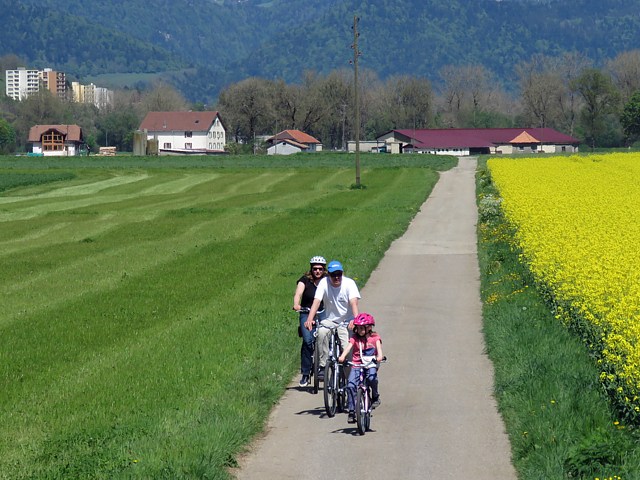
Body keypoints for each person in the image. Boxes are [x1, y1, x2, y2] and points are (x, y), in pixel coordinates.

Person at [305, 260, 360, 378]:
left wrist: (356, 320)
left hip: (347, 321)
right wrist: (310, 318)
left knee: (347, 348)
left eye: (339, 274)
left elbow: (354, 303)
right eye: (333, 275)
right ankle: (323, 365)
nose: (336, 277)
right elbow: (317, 301)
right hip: (330, 319)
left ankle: (348, 377)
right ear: (328, 275)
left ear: (342, 273)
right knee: (321, 333)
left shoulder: (349, 284)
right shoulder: (324, 283)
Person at [338, 312, 383, 424]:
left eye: (362, 328)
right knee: (351, 385)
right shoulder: (355, 338)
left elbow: (379, 348)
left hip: (370, 364)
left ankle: (375, 396)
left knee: (372, 378)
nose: (360, 330)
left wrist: (379, 356)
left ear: (369, 328)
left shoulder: (375, 337)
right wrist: (342, 356)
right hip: (357, 364)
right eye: (358, 328)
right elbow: (348, 347)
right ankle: (352, 410)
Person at [293, 256, 327, 387]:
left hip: (322, 313)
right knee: (307, 341)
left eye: (320, 269)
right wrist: (296, 304)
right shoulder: (305, 280)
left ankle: (325, 367)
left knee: (326, 338)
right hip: (306, 312)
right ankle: (306, 373)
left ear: (324, 269)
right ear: (311, 268)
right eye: (315, 269)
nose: (317, 271)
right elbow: (298, 294)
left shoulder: (327, 281)